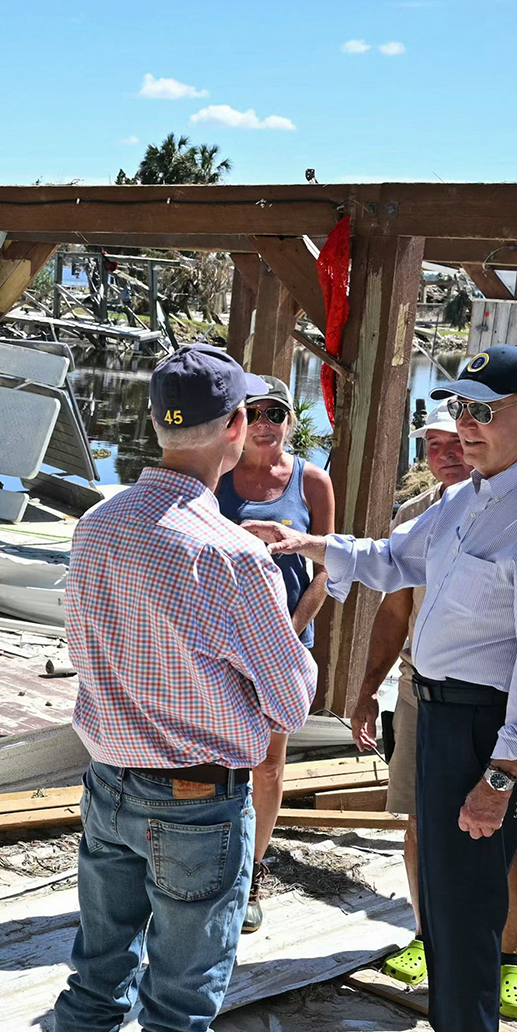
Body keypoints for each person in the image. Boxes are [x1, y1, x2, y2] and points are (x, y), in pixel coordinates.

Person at [251, 344, 517, 1032]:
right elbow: (395, 558)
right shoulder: (470, 498)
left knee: (471, 912)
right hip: (440, 714)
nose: (466, 427)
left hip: (487, 731)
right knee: (440, 902)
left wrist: (503, 775)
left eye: (485, 411)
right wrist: (307, 547)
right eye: (461, 410)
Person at [48, 344, 316, 1032]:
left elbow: (81, 648)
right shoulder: (233, 554)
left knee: (93, 988)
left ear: (155, 423)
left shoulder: (96, 527)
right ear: (237, 430)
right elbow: (290, 697)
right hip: (198, 800)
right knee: (176, 1017)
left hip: (111, 783)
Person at [351, 410, 517, 1023]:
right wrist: (367, 690)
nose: (447, 454)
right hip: (422, 690)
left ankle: (509, 959)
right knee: (422, 823)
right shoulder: (420, 518)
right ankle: (428, 938)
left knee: (498, 835)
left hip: (491, 702)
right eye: (434, 445)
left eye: (457, 443)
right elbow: (393, 611)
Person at [215, 373, 337, 935]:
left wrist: (288, 634)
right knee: (216, 757)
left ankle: (253, 870)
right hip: (221, 644)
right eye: (255, 412)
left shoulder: (312, 481)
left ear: (291, 421)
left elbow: (324, 571)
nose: (265, 424)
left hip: (286, 642)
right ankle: (207, 862)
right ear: (240, 420)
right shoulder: (217, 480)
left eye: (277, 414)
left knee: (267, 762)